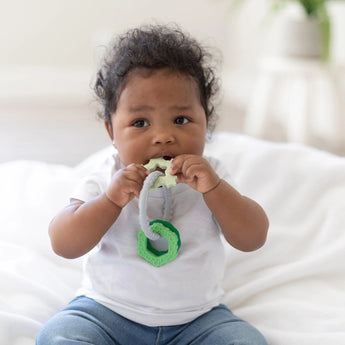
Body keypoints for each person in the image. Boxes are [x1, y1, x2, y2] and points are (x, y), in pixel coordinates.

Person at [36, 24, 269, 345]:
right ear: (111, 133)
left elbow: (252, 238)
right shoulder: (108, 176)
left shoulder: (212, 176)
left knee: (246, 341)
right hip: (106, 311)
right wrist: (110, 201)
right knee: (60, 335)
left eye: (181, 120)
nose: (163, 136)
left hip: (198, 318)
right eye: (140, 123)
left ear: (206, 122)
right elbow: (63, 243)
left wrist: (216, 190)